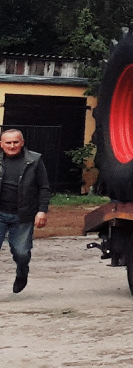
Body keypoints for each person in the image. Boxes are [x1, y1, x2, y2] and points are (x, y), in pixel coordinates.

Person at [0, 125, 51, 293]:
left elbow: (44, 187)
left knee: (21, 253)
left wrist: (42, 210)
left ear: (22, 143)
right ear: (1, 144)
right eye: (8, 142)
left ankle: (22, 272)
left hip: (23, 216)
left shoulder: (34, 160)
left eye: (15, 142)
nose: (12, 145)